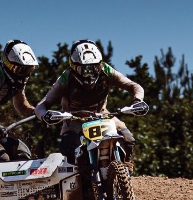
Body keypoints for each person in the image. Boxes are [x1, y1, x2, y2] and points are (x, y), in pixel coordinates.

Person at [34, 41, 148, 171]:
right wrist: (45, 115)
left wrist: (138, 101)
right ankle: (76, 179)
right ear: (74, 67)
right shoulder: (66, 78)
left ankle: (126, 166)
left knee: (128, 139)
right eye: (84, 69)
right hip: (74, 119)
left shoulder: (107, 70)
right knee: (68, 148)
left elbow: (134, 86)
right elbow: (41, 105)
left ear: (100, 64)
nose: (90, 73)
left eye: (95, 67)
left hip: (103, 115)